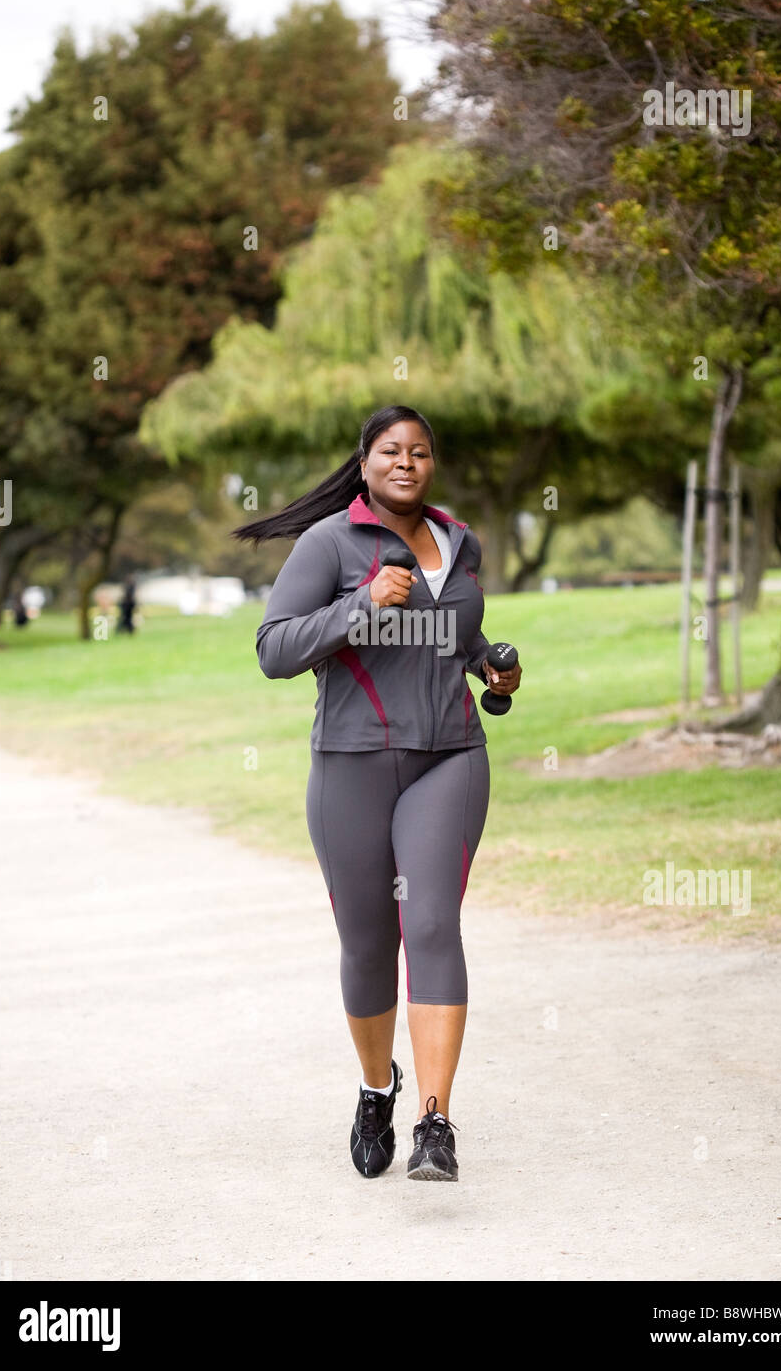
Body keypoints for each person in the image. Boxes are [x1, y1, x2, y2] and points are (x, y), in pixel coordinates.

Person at [233, 405, 522, 1181]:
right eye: (392, 451)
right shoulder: (330, 543)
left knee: (430, 923)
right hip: (352, 766)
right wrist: (361, 605)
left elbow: (451, 643)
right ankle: (375, 1087)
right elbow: (273, 650)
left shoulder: (461, 544)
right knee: (369, 946)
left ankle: (435, 1121)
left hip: (449, 758)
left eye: (421, 452)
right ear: (364, 463)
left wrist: (490, 674)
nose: (407, 462)